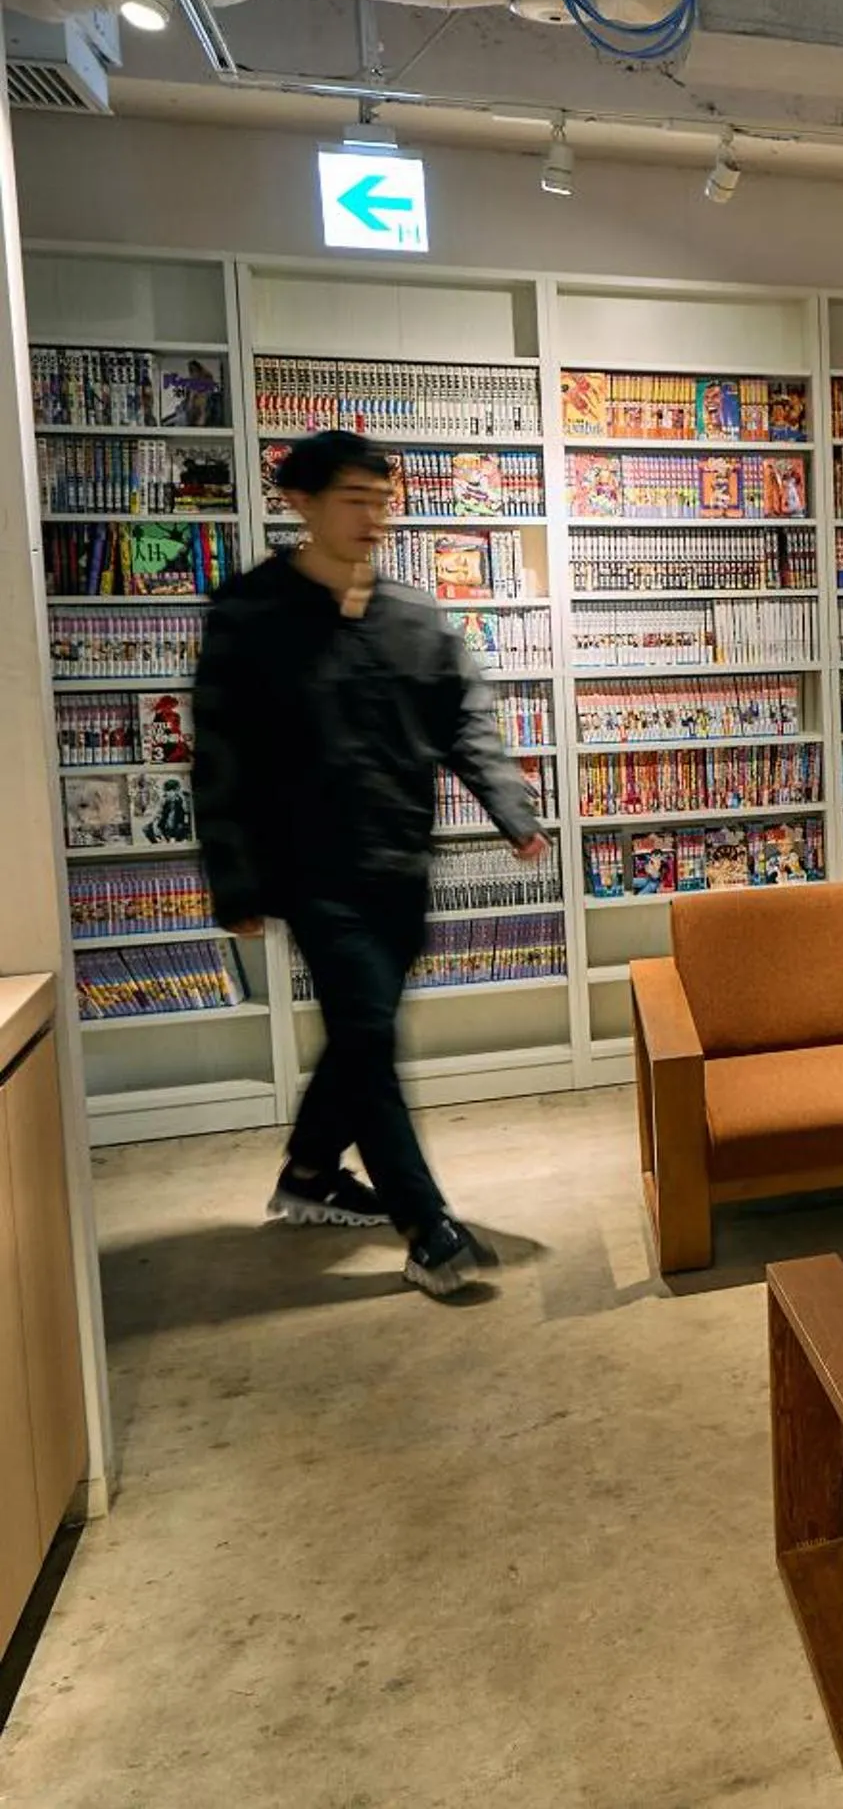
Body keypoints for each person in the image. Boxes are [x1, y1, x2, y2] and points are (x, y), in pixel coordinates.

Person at [194, 431, 549, 1298]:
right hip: (311, 872)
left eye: (381, 499)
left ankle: (311, 1171)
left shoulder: (414, 614)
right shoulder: (250, 613)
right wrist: (234, 880)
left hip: (400, 862)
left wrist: (511, 810)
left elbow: (466, 717)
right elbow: (220, 754)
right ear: (302, 504)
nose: (372, 516)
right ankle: (426, 1228)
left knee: (362, 1037)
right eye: (353, 498)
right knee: (368, 1039)